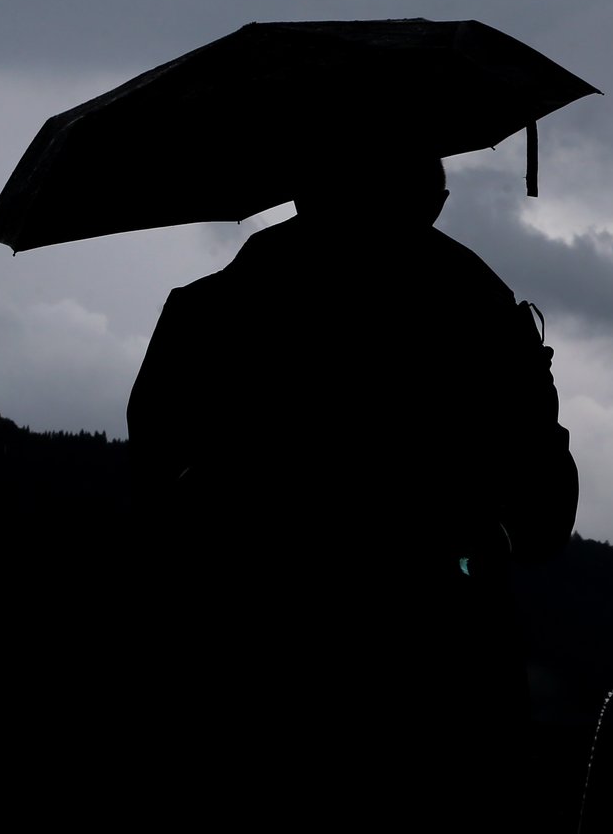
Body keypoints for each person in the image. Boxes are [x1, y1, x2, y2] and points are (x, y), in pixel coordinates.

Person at [125, 142, 576, 815]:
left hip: (239, 694)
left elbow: (154, 481)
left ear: (303, 192)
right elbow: (544, 521)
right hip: (440, 703)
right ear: (427, 200)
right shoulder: (479, 313)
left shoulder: (211, 311)